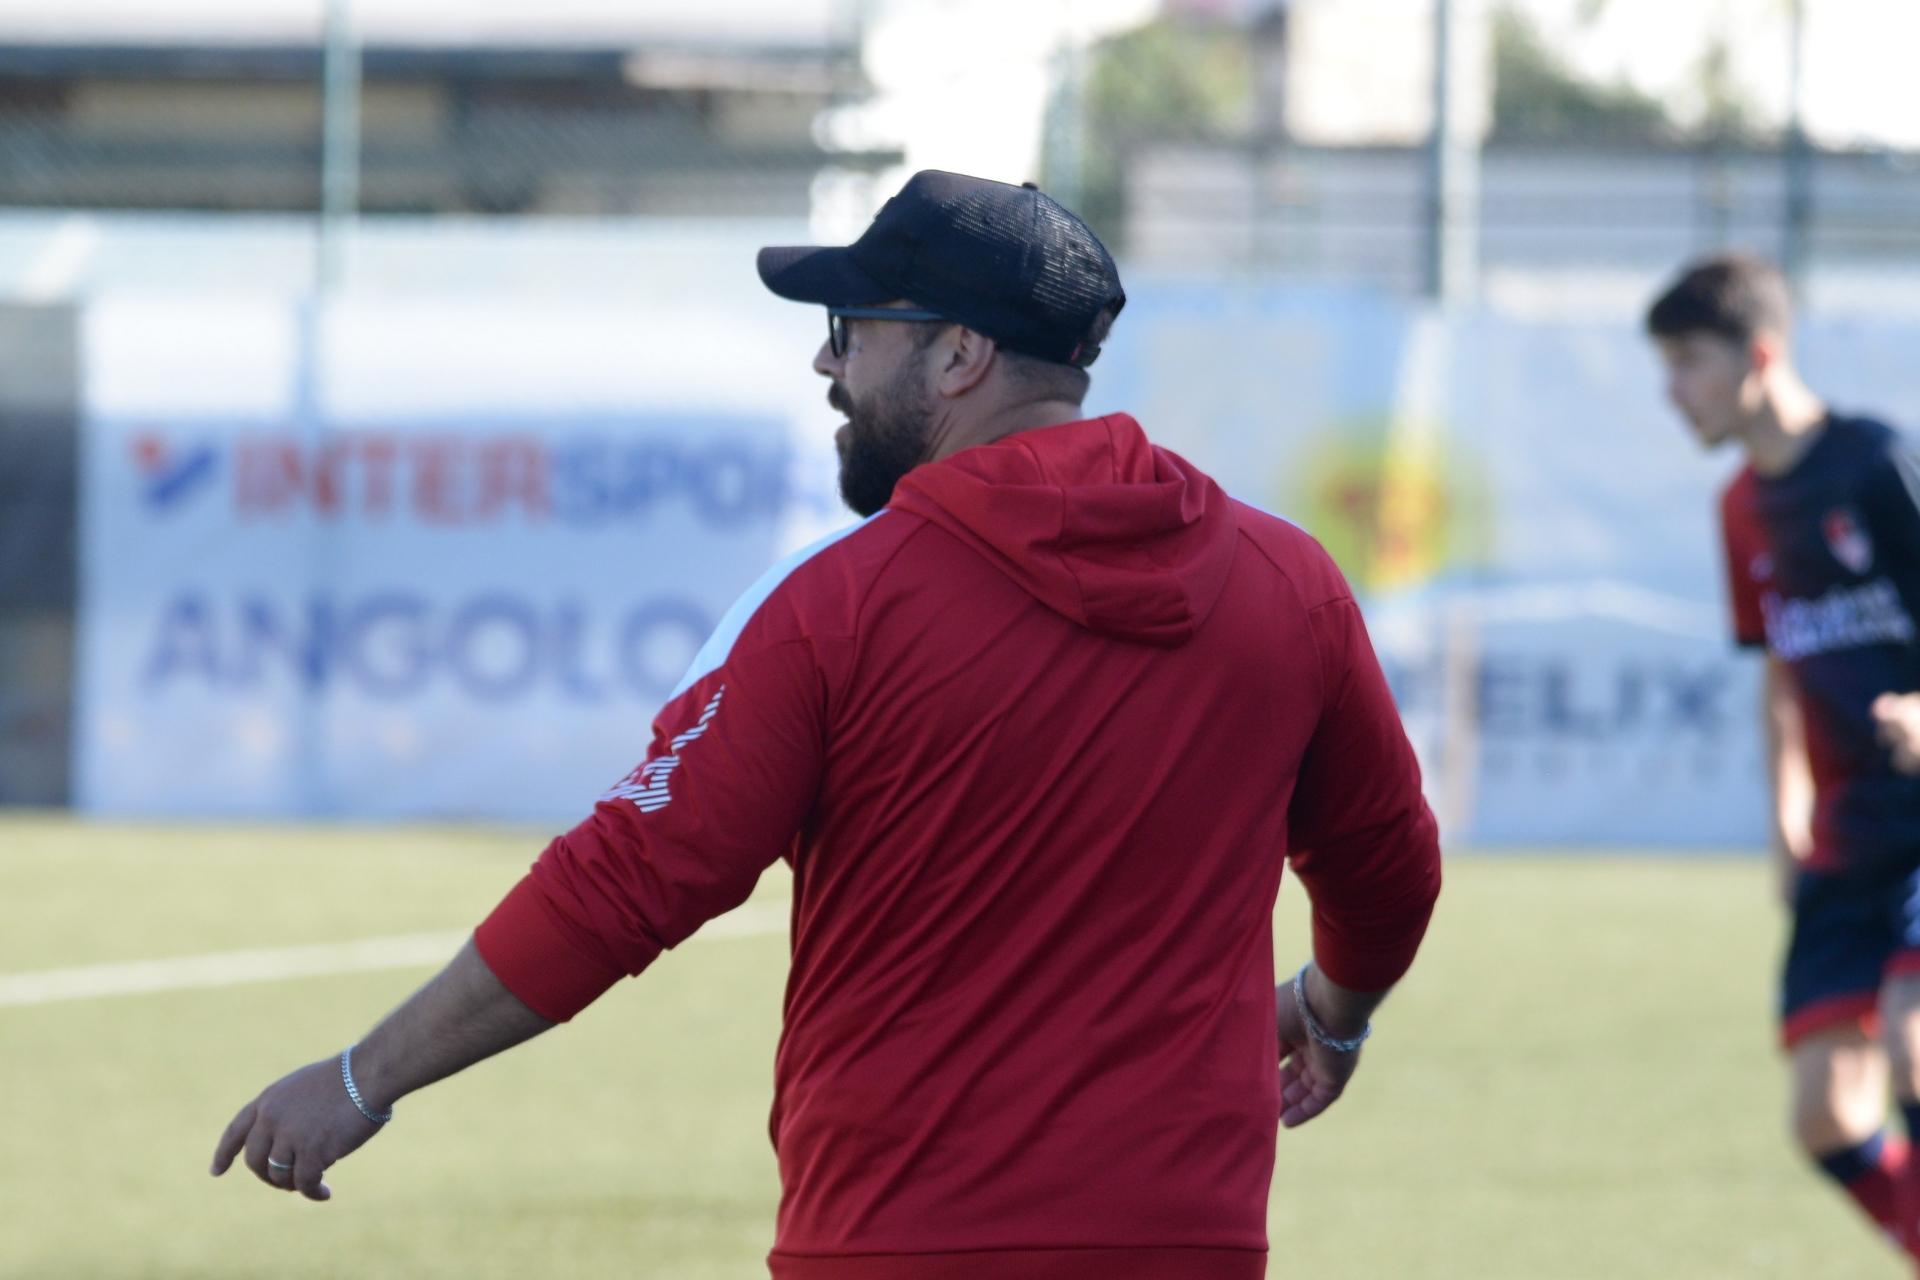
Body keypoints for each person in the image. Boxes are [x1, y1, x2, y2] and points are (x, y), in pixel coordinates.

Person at [211, 170, 1442, 1279]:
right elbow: (1390, 869)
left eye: (850, 329)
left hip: (897, 1241)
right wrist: (1332, 1011)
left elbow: (624, 880)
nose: (824, 363)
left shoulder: (838, 603)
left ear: (960, 355)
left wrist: (364, 1077)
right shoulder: (1287, 583)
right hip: (1188, 1243)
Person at [1648, 253, 1920, 1267]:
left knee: (1912, 1043)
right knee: (1824, 1113)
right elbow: (1776, 673)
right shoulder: (1740, 507)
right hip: (1850, 836)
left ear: (1758, 356)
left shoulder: (1877, 464)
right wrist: (1786, 820)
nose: (1674, 390)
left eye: (1688, 361)